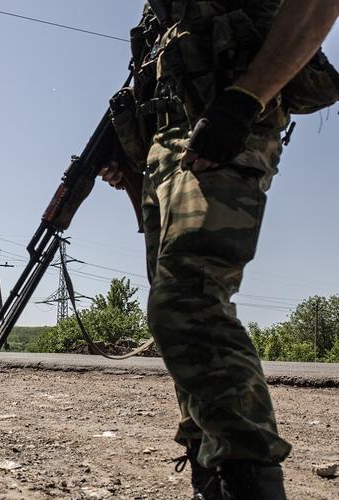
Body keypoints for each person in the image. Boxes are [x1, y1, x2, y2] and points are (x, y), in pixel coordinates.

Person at [98, 1, 339, 499]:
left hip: (225, 121)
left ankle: (247, 473)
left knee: (186, 303)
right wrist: (132, 174)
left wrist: (245, 99)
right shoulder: (155, 15)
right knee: (170, 307)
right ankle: (212, 474)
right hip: (165, 149)